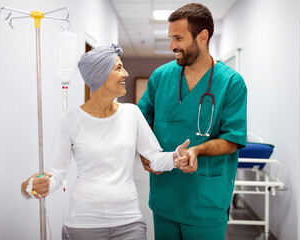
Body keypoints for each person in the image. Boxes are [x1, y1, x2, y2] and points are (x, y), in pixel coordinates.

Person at [21, 44, 190, 240]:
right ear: (99, 75)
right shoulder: (70, 120)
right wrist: (33, 186)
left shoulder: (132, 113)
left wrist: (175, 157)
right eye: (118, 68)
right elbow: (56, 175)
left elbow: (153, 158)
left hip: (129, 221)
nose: (126, 73)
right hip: (83, 224)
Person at [138, 3, 247, 240]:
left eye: (178, 37)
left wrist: (196, 150)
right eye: (170, 38)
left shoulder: (231, 83)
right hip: (165, 195)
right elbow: (140, 121)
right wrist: (145, 152)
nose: (172, 46)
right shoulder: (161, 77)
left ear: (202, 36)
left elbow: (232, 139)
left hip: (205, 200)